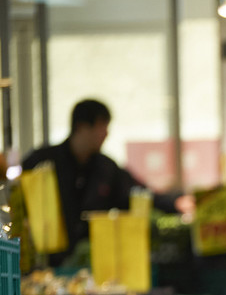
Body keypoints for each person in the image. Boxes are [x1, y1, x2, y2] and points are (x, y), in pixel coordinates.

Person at [20, 99, 192, 267]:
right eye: (101, 126)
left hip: (92, 261)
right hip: (44, 259)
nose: (106, 133)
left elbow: (136, 192)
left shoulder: (106, 168)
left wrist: (174, 203)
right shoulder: (42, 162)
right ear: (81, 127)